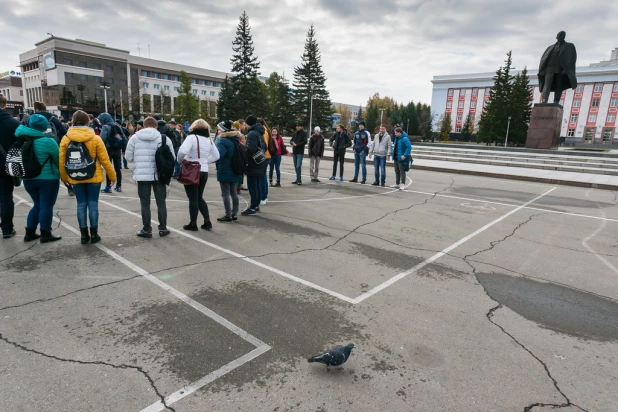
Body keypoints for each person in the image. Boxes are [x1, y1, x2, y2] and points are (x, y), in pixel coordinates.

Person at [59, 110, 117, 244]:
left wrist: (64, 177)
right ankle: (94, 234)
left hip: (75, 175)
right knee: (93, 204)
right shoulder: (95, 138)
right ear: (88, 122)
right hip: (93, 175)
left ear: (73, 122)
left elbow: (62, 160)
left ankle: (83, 235)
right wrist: (112, 176)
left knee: (81, 204)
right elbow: (105, 160)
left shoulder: (66, 139)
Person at [125, 116, 175, 238]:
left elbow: (128, 157)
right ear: (156, 126)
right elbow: (172, 157)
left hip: (142, 175)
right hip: (159, 175)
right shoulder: (164, 138)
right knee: (161, 202)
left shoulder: (135, 138)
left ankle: (147, 229)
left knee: (145, 203)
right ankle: (163, 228)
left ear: (143, 125)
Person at [17, 114, 62, 243]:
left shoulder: (22, 140)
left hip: (28, 178)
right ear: (44, 126)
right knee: (46, 205)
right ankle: (45, 233)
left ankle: (30, 232)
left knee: (37, 205)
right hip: (48, 178)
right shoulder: (48, 142)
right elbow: (58, 160)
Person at [177, 119, 220, 231]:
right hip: (203, 171)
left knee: (193, 198)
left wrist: (180, 161)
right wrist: (204, 161)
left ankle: (193, 223)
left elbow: (182, 151)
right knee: (198, 197)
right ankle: (207, 221)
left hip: (192, 169)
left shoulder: (192, 137)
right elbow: (216, 156)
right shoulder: (208, 139)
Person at [0, 94, 20, 239]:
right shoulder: (13, 123)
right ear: (5, 105)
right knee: (6, 197)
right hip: (5, 165)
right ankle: (7, 229)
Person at [215, 120, 241, 222]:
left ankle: (228, 215)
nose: (218, 131)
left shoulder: (222, 141)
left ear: (223, 130)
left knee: (225, 193)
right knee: (233, 192)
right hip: (235, 168)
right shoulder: (235, 139)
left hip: (225, 168)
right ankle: (234, 213)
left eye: (219, 129)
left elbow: (219, 155)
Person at [241, 115, 266, 215]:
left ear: (248, 123)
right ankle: (256, 206)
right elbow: (265, 146)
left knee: (253, 186)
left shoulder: (251, 133)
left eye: (246, 124)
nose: (245, 126)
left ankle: (252, 207)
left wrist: (243, 150)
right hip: (260, 162)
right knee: (258, 185)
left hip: (253, 163)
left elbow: (250, 149)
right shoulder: (260, 132)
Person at [98, 113, 127, 193]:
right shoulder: (117, 127)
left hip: (108, 150)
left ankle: (108, 186)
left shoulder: (105, 127)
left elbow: (102, 138)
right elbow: (124, 139)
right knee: (118, 169)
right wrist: (123, 150)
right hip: (117, 150)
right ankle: (119, 186)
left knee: (108, 168)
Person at [257, 118, 272, 205]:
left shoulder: (262, 132)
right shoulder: (266, 130)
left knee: (262, 177)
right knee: (263, 177)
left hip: (264, 156)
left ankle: (263, 197)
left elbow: (263, 145)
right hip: (267, 155)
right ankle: (264, 196)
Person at [235, 119, 248, 193]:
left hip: (241, 154)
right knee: (238, 171)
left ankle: (239, 185)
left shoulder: (242, 133)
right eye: (243, 124)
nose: (245, 126)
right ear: (239, 125)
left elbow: (244, 144)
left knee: (241, 171)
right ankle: (237, 186)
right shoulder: (237, 133)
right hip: (238, 155)